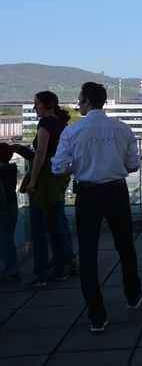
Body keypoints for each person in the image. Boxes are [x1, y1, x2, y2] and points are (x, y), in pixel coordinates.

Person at [51, 82, 142, 333]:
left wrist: (78, 166)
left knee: (89, 255)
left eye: (79, 101)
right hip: (116, 191)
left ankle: (97, 315)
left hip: (88, 195)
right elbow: (133, 165)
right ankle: (133, 295)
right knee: (125, 246)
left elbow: (58, 167)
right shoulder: (123, 129)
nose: (78, 105)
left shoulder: (72, 131)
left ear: (88, 102)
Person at [12, 91, 75, 287]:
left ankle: (41, 273)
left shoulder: (46, 124)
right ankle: (65, 264)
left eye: (36, 104)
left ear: (47, 105)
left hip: (44, 182)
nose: (34, 108)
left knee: (38, 228)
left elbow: (40, 154)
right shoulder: (61, 124)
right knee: (58, 223)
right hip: (57, 179)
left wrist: (32, 182)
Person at [0, 143, 20, 282]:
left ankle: (9, 269)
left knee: (4, 239)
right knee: (8, 238)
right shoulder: (12, 168)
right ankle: (11, 268)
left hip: (3, 207)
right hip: (13, 206)